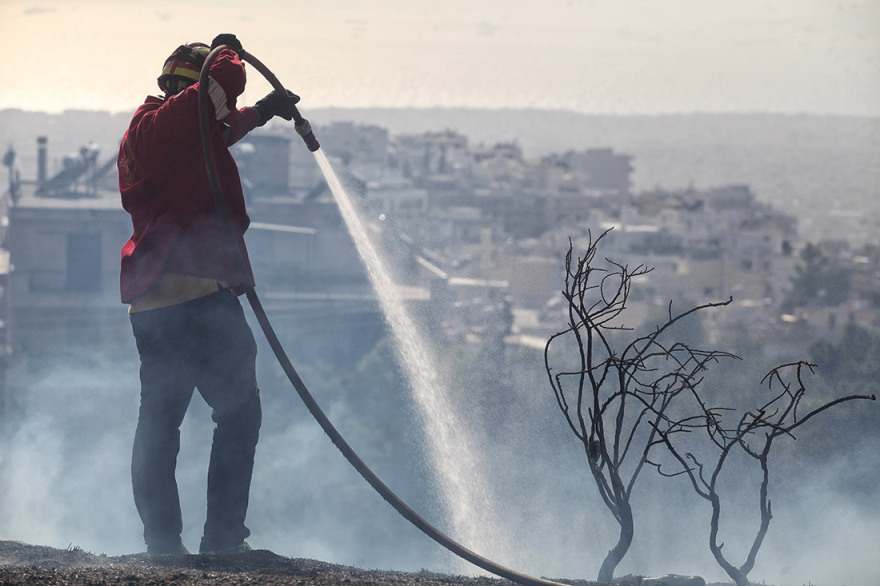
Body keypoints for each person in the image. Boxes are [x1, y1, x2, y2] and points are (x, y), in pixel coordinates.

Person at [117, 33, 300, 556]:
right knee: (239, 414)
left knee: (159, 422)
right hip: (198, 294)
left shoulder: (152, 133)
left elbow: (215, 131)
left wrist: (263, 112)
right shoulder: (165, 121)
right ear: (189, 86)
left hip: (154, 300)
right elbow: (221, 85)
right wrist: (225, 51)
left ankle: (162, 545)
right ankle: (220, 540)